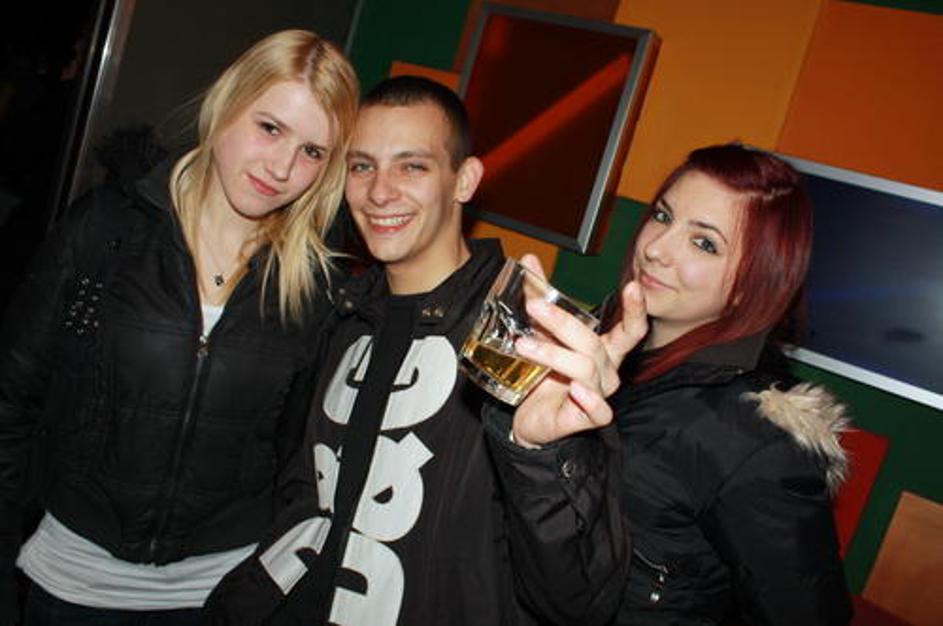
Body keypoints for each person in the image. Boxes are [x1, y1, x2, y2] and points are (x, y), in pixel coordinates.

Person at [204, 75, 648, 625]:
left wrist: (541, 457)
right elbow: (301, 493)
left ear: (464, 180)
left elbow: (579, 601)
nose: (379, 192)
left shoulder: (527, 340)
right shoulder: (343, 313)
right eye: (362, 166)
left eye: (411, 166)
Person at [0, 29, 358, 624]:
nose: (282, 167)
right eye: (270, 128)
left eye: (313, 152)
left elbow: (297, 454)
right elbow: (12, 401)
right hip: (72, 585)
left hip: (218, 596)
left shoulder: (315, 284)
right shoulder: (109, 231)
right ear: (226, 104)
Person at [511, 143, 854, 625]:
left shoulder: (756, 441)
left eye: (704, 243)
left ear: (750, 285)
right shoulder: (601, 346)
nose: (655, 248)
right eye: (662, 216)